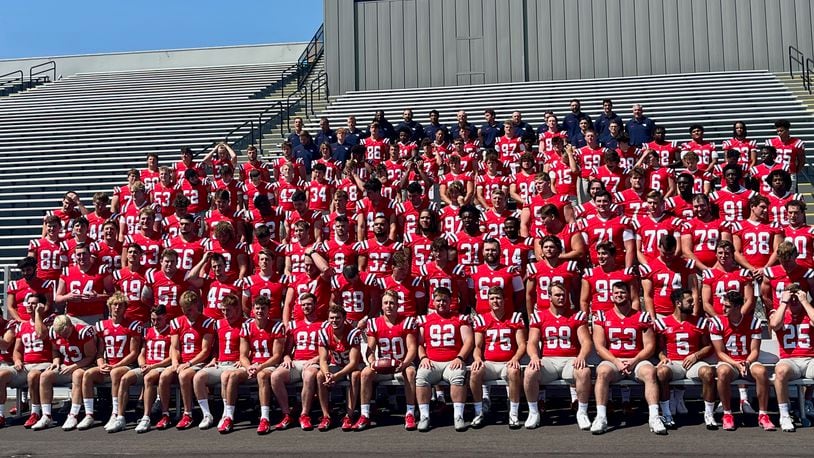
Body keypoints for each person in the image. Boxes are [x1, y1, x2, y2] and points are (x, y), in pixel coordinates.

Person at [591, 282, 664, 435]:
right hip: (613, 361)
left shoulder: (642, 316)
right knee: (602, 371)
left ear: (629, 295)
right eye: (616, 293)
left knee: (650, 371)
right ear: (611, 295)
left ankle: (654, 416)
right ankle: (601, 416)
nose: (619, 295)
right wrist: (616, 362)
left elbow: (650, 345)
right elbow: (599, 346)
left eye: (623, 292)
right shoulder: (602, 316)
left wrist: (634, 361)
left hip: (635, 360)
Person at [524, 281, 592, 430]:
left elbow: (586, 341)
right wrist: (534, 357)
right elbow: (532, 342)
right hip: (549, 360)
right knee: (529, 372)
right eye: (557, 295)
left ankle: (582, 412)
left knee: (584, 371)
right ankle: (533, 412)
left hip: (570, 360)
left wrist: (581, 356)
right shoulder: (539, 316)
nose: (561, 298)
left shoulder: (577, 315)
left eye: (563, 295)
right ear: (549, 297)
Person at [708, 291, 775, 431]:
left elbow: (755, 350)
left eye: (727, 306)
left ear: (737, 307)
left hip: (747, 361)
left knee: (762, 371)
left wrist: (747, 362)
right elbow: (720, 352)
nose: (723, 309)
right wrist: (736, 364)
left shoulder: (753, 322)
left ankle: (763, 414)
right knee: (722, 371)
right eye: (723, 305)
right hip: (729, 362)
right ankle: (727, 413)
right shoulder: (717, 322)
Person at [77, 293, 143, 432]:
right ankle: (89, 414)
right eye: (114, 305)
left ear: (125, 308)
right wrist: (101, 364)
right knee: (88, 374)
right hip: (109, 365)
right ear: (109, 306)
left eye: (121, 305)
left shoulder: (132, 325)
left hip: (125, 365)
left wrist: (116, 366)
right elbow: (100, 352)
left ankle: (115, 413)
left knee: (115, 373)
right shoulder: (102, 325)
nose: (117, 308)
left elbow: (133, 353)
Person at [355, 290, 419, 431]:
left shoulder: (407, 321)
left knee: (410, 372)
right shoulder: (374, 323)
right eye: (386, 303)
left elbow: (412, 347)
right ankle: (365, 414)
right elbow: (370, 349)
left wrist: (404, 364)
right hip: (383, 365)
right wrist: (372, 362)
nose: (389, 306)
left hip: (402, 363)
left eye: (392, 303)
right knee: (365, 373)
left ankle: (410, 412)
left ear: (397, 305)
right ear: (382, 306)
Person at [653, 289, 713, 429]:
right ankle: (667, 414)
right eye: (689, 301)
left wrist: (696, 355)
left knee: (708, 372)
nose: (693, 304)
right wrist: (663, 357)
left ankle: (709, 414)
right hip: (674, 362)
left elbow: (708, 346)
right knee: (661, 373)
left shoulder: (699, 322)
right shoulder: (663, 323)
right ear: (678, 303)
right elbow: (658, 348)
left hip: (693, 362)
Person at [415, 287, 473, 432]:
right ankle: (424, 416)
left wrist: (460, 357)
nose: (441, 303)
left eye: (445, 300)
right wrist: (423, 357)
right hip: (432, 361)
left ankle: (458, 416)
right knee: (421, 376)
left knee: (458, 375)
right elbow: (419, 343)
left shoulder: (460, 318)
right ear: (433, 302)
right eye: (438, 300)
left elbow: (468, 341)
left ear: (451, 301)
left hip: (452, 361)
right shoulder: (425, 320)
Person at [156, 291, 215, 430]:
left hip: (198, 362)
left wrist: (188, 364)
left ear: (196, 306)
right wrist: (175, 362)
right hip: (182, 361)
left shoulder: (207, 322)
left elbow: (205, 351)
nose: (186, 312)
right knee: (164, 376)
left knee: (183, 375)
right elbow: (175, 347)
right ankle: (165, 414)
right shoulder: (177, 322)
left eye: (189, 309)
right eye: (184, 309)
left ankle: (188, 413)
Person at [469, 286, 526, 429]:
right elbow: (477, 346)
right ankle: (478, 412)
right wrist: (477, 359)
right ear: (488, 301)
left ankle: (513, 413)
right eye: (492, 298)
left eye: (498, 298)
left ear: (505, 299)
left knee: (513, 371)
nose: (495, 301)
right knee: (475, 372)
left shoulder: (514, 317)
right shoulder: (482, 319)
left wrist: (515, 358)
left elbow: (521, 345)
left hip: (507, 362)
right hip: (490, 363)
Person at [191, 294, 246, 432]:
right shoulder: (218, 323)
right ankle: (207, 414)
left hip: (236, 364)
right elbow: (215, 346)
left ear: (236, 309)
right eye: (223, 310)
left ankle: (226, 413)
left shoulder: (245, 323)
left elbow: (252, 346)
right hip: (221, 363)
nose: (226, 313)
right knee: (198, 377)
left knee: (226, 376)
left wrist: (243, 360)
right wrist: (214, 358)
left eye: (229, 310)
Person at [270, 293, 325, 430]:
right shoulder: (294, 325)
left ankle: (304, 414)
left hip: (314, 361)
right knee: (276, 376)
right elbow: (287, 350)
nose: (306, 307)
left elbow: (328, 350)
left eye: (309, 304)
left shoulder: (323, 325)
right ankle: (287, 413)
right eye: (304, 304)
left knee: (309, 374)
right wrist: (287, 357)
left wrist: (316, 359)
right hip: (297, 361)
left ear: (315, 305)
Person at [0, 294, 54, 428]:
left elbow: (41, 334)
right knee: (1, 375)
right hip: (27, 365)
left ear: (41, 306)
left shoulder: (48, 321)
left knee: (32, 375)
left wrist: (37, 314)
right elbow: (17, 350)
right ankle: (0, 415)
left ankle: (35, 412)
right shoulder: (21, 327)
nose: (30, 306)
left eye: (34, 303)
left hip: (44, 363)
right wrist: (17, 360)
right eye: (28, 303)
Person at [235, 296, 286, 435]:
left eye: (263, 308)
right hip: (253, 364)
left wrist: (260, 367)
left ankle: (265, 417)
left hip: (268, 365)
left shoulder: (277, 326)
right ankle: (227, 415)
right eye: (257, 308)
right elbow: (243, 355)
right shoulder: (246, 326)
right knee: (230, 375)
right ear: (252, 310)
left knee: (262, 376)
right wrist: (248, 367)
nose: (260, 311)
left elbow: (277, 356)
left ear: (269, 310)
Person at [119, 304, 173, 434]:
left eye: (158, 319)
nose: (155, 323)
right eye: (153, 319)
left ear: (165, 317)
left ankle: (146, 416)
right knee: (125, 378)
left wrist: (152, 366)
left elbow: (172, 358)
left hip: (161, 366)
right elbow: (142, 353)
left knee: (148, 378)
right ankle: (119, 416)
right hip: (147, 366)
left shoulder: (171, 332)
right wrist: (142, 364)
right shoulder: (148, 331)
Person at [770, 288, 814, 432]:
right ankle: (784, 414)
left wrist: (804, 301)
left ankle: (808, 401)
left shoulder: (809, 311)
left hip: (810, 359)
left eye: (796, 297)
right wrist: (784, 301)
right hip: (790, 360)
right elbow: (775, 325)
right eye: (791, 298)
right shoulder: (779, 313)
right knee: (780, 371)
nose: (794, 300)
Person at [316, 304, 363, 431]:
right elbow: (323, 359)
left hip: (353, 366)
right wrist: (327, 374)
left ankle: (349, 415)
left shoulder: (353, 333)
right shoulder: (324, 333)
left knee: (354, 376)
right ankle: (326, 415)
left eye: (337, 318)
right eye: (331, 318)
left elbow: (353, 363)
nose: (334, 321)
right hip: (336, 364)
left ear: (344, 318)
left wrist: (336, 376)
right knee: (320, 375)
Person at [54, 243, 109, 326]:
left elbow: (112, 295)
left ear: (90, 255)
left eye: (84, 254)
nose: (82, 257)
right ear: (75, 256)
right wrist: (68, 297)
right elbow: (57, 298)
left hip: (95, 316)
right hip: (73, 317)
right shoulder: (67, 272)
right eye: (79, 254)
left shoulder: (101, 271)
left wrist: (97, 297)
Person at [6, 256, 53, 322]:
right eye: (23, 271)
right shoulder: (15, 285)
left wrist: (36, 319)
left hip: (40, 320)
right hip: (20, 321)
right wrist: (20, 320)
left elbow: (48, 305)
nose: (25, 273)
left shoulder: (45, 285)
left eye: (28, 270)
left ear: (34, 268)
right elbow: (10, 306)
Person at [766, 119, 805, 189]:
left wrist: (795, 171)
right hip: (776, 174)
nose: (779, 133)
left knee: (790, 196)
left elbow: (801, 160)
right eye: (777, 131)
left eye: (781, 131)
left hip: (790, 173)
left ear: (787, 130)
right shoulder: (771, 142)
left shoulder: (797, 142)